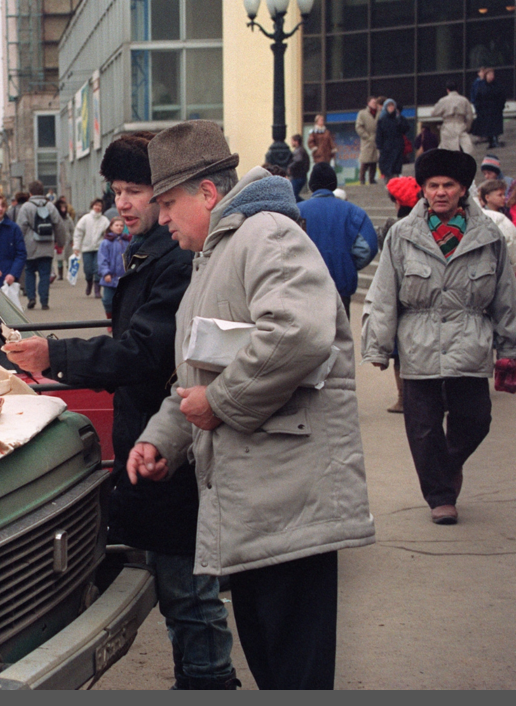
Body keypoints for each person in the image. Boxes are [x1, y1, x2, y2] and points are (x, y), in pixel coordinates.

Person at [130, 120, 376, 690]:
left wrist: (218, 404)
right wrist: (161, 438)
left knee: (294, 672)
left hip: (288, 500)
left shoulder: (265, 235)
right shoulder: (217, 255)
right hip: (262, 505)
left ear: (207, 194)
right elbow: (200, 369)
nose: (161, 218)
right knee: (274, 665)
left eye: (168, 203)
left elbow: (295, 333)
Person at [3, 131, 237, 690]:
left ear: (172, 195)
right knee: (177, 583)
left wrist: (53, 354)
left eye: (137, 190)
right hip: (153, 441)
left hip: (178, 448)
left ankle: (209, 682)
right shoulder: (148, 252)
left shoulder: (177, 260)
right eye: (116, 191)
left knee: (188, 590)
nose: (123, 203)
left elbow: (143, 352)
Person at [362, 149, 516, 526]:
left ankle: (446, 466)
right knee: (423, 428)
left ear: (463, 190)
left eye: (449, 185)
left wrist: (509, 348)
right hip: (419, 346)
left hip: (470, 342)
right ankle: (442, 497)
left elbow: (505, 296)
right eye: (433, 186)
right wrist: (378, 346)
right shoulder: (402, 235)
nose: (441, 192)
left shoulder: (489, 236)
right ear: (423, 190)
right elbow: (382, 293)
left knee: (476, 419)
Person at [297, 163, 378, 318]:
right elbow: (368, 247)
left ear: (311, 184)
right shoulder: (354, 212)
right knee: (340, 340)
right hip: (340, 291)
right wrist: (347, 264)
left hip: (304, 290)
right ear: (334, 184)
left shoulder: (297, 212)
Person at [377, 176, 422, 414]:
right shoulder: (429, 223)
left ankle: (403, 399)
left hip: (399, 296)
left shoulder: (391, 226)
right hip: (424, 295)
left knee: (399, 354)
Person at [15, 180, 67, 310]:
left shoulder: (26, 207)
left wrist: (17, 245)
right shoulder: (50, 206)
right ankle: (44, 301)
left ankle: (31, 297)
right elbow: (59, 225)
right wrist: (61, 242)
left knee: (29, 272)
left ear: (30, 192)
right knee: (45, 273)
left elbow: (20, 227)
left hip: (29, 246)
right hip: (47, 245)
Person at [73, 198, 110, 297]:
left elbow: (108, 234)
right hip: (87, 248)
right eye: (96, 205)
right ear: (92, 206)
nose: (97, 207)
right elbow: (78, 233)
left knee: (98, 269)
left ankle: (97, 289)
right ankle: (89, 283)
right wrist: (76, 247)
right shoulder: (85, 219)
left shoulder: (104, 220)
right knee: (88, 269)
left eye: (100, 206)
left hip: (99, 249)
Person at [477, 179, 516, 276]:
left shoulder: (507, 214)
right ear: (487, 197)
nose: (504, 197)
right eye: (500, 195)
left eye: (504, 194)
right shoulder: (483, 218)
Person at [97, 216, 129, 321]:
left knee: (123, 300)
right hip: (110, 277)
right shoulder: (106, 243)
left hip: (124, 277)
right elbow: (102, 259)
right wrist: (106, 273)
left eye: (121, 225)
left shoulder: (126, 241)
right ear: (111, 227)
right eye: (116, 225)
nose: (119, 227)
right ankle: (109, 318)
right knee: (107, 300)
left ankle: (119, 320)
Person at [431, 81, 475, 154]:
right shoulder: (464, 100)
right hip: (460, 124)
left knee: (447, 150)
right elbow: (470, 116)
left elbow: (433, 113)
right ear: (457, 89)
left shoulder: (443, 100)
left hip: (448, 125)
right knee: (467, 148)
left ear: (447, 90)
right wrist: (467, 127)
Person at [376, 99, 409, 182]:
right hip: (387, 147)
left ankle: (396, 183)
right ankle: (388, 182)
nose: (391, 107)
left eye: (392, 105)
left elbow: (405, 129)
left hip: (397, 146)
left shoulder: (398, 118)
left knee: (396, 167)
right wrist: (380, 147)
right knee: (387, 167)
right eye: (389, 106)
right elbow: (379, 135)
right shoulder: (382, 119)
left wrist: (399, 119)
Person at [474, 68, 506, 149]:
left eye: (492, 74)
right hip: (486, 111)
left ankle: (495, 141)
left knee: (495, 127)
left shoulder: (497, 85)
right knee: (488, 127)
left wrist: (500, 106)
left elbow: (502, 96)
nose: (491, 76)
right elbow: (478, 98)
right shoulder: (482, 86)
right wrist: (479, 109)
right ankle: (491, 141)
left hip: (495, 110)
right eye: (489, 74)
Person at [355, 97, 380, 185]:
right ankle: (362, 178)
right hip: (367, 140)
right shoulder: (362, 113)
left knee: (374, 161)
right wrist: (367, 136)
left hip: (376, 140)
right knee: (365, 160)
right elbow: (358, 127)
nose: (374, 104)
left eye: (375, 102)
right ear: (368, 103)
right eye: (373, 102)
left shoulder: (379, 113)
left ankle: (372, 179)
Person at [54, 196, 75, 283]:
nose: (63, 209)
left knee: (68, 257)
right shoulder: (56, 218)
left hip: (67, 239)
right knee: (59, 258)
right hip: (58, 240)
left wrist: (73, 240)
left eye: (64, 208)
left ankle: (70, 273)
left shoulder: (68, 218)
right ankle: (60, 274)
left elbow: (72, 229)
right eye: (61, 208)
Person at [287, 134, 310, 201]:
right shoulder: (301, 150)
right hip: (300, 176)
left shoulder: (299, 151)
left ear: (296, 141)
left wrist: (290, 167)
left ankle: (305, 204)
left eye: (292, 141)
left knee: (293, 196)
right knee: (294, 195)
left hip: (298, 176)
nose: (291, 143)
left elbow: (298, 161)